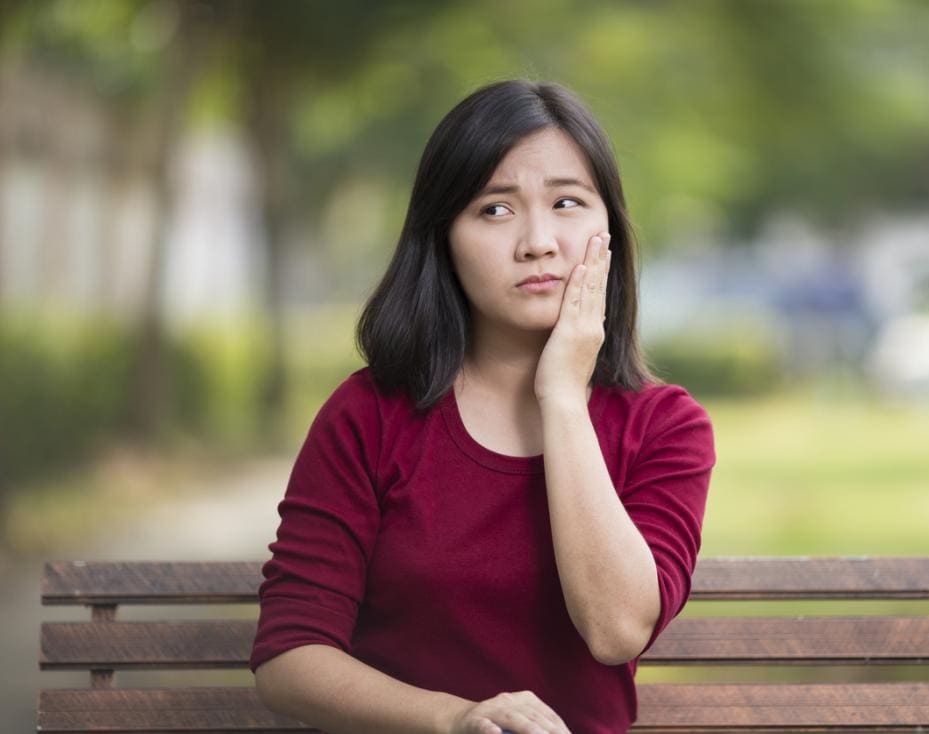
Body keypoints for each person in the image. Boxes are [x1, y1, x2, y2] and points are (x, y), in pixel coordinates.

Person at [249, 79, 716, 734]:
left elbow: (615, 630)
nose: (538, 241)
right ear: (443, 238)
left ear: (608, 227)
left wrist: (561, 396)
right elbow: (289, 660)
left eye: (568, 202)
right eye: (495, 209)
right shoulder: (369, 415)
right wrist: (456, 718)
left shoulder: (665, 427)